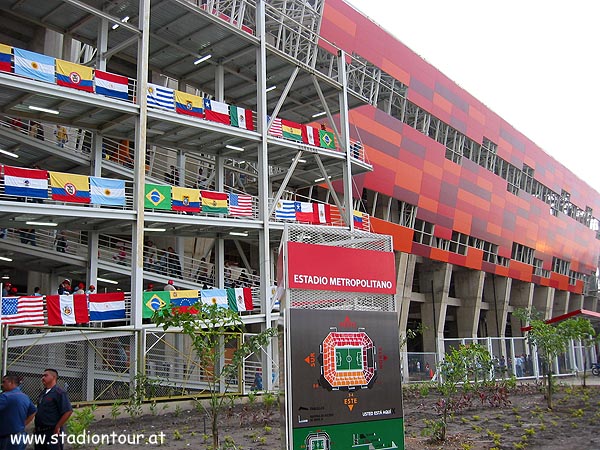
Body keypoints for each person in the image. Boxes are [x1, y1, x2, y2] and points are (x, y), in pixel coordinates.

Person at [34, 369, 72, 450]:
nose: (43, 378)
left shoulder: (59, 393)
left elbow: (68, 411)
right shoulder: (43, 393)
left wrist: (58, 426)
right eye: (42, 376)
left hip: (52, 432)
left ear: (53, 377)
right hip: (39, 432)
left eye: (46, 375)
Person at [0, 374, 37, 450]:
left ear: (11, 382)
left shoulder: (6, 396)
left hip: (7, 438)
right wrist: (23, 424)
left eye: (4, 382)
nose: (2, 384)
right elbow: (33, 411)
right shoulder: (24, 396)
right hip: (20, 436)